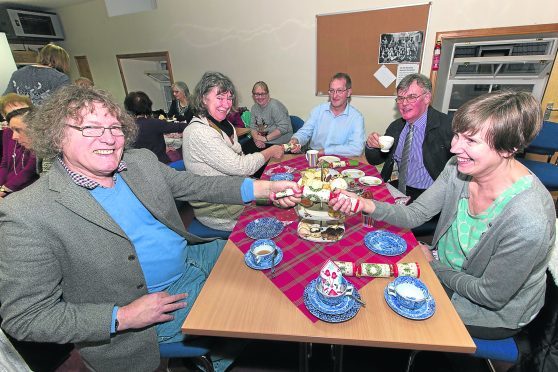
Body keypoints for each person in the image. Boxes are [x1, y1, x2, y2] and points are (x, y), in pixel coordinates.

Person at [0, 85, 301, 372]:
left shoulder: (139, 162)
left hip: (193, 256)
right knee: (259, 311)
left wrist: (264, 188)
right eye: (89, 128)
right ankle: (217, 359)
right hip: (154, 304)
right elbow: (26, 317)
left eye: (115, 127)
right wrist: (123, 317)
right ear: (55, 136)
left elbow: (196, 184)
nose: (108, 139)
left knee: (275, 263)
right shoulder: (26, 212)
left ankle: (217, 356)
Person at [332, 91, 556, 340]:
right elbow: (416, 213)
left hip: (488, 310)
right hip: (443, 266)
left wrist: (433, 265)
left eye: (470, 141)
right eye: (456, 135)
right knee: (369, 273)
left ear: (509, 148)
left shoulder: (528, 219)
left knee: (381, 311)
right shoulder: (458, 168)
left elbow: (490, 296)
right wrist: (364, 204)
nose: (453, 147)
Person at [183, 72, 285, 232]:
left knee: (282, 198)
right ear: (203, 98)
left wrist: (261, 187)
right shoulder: (199, 132)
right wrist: (270, 151)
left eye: (229, 98)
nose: (226, 104)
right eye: (219, 97)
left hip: (235, 194)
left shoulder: (225, 125)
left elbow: (240, 166)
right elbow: (241, 167)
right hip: (219, 210)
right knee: (279, 219)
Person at [365, 73, 452, 201]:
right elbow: (375, 160)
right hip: (399, 190)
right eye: (400, 98)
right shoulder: (396, 127)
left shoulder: (446, 126)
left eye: (411, 97)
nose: (404, 103)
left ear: (427, 98)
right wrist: (371, 146)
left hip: (430, 196)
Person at [289, 72, 365, 157]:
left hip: (340, 160)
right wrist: (295, 140)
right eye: (332, 91)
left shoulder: (356, 117)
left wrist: (326, 151)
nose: (334, 95)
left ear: (348, 92)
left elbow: (357, 148)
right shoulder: (318, 110)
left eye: (339, 91)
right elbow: (305, 132)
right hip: (315, 157)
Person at [124, 91, 187, 163]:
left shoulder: (127, 127)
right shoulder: (154, 123)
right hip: (161, 164)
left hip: (140, 166)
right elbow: (182, 126)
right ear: (148, 105)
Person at [3, 43, 70, 105]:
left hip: (23, 116)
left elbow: (5, 99)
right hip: (47, 117)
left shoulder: (17, 74)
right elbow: (64, 105)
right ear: (62, 61)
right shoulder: (61, 78)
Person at [0, 94, 38, 197]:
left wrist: (5, 189)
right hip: (8, 187)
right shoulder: (8, 133)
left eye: (20, 111)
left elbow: (31, 168)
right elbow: (4, 163)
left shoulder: (36, 136)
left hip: (27, 188)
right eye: (10, 114)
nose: (16, 115)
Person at [241, 81, 292, 155]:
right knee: (243, 149)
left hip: (278, 143)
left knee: (257, 157)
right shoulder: (254, 108)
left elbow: (283, 128)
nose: (260, 97)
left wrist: (265, 139)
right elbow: (253, 127)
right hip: (262, 140)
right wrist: (256, 140)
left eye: (263, 94)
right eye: (257, 94)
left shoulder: (275, 106)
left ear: (268, 94)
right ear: (253, 95)